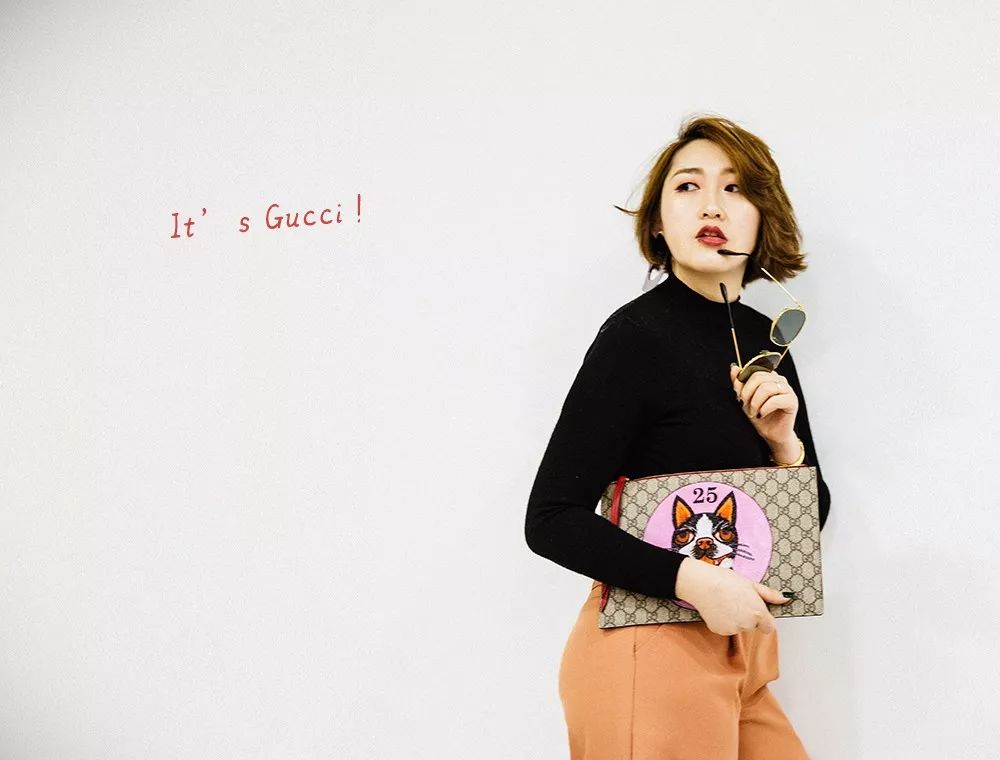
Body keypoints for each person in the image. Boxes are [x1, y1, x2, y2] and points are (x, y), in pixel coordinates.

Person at [524, 115, 831, 760]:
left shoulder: (766, 339)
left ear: (762, 217)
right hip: (650, 647)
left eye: (735, 188)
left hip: (745, 657)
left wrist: (784, 447)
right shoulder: (636, 338)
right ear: (660, 223)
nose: (712, 205)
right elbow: (550, 518)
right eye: (688, 186)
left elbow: (806, 520)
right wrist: (695, 581)